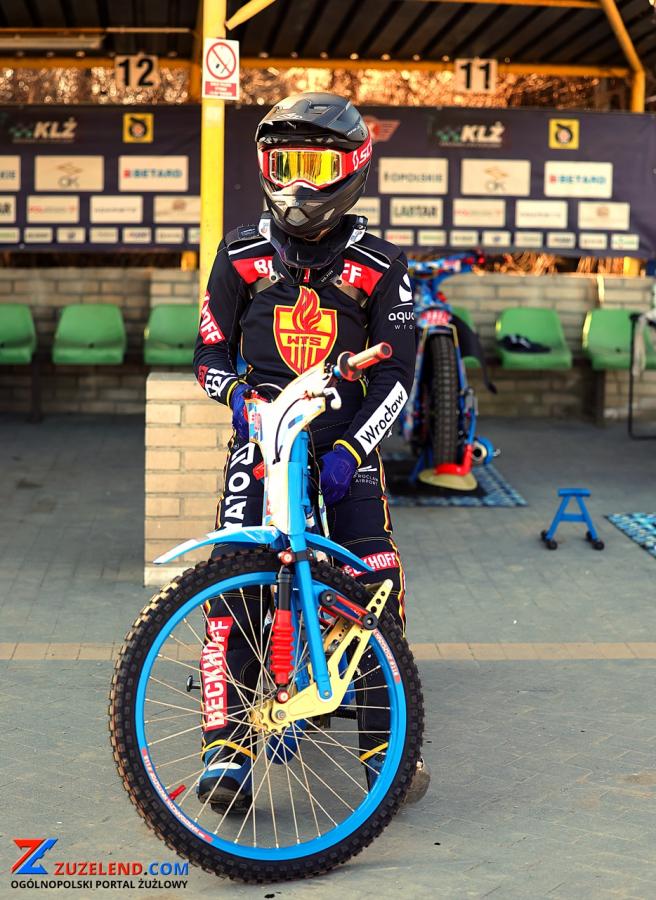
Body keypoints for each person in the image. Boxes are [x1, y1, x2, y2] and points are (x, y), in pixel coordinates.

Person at [192, 92, 428, 812]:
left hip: (345, 447)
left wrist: (354, 449)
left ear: (354, 168)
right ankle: (225, 749)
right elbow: (207, 354)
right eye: (284, 165)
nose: (298, 184)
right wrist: (241, 401)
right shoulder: (239, 254)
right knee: (231, 584)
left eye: (317, 167)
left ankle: (387, 751)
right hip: (263, 443)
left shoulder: (384, 265)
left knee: (375, 583)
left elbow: (397, 378)